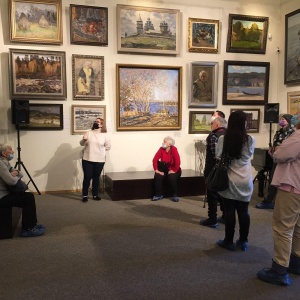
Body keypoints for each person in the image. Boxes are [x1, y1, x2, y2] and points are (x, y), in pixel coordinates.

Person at [257, 113, 300, 286]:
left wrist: (276, 151)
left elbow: (281, 153)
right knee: (298, 228)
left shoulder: (298, 136)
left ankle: (279, 269)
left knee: (283, 227)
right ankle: (296, 262)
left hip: (292, 188)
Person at [215, 110, 255, 251]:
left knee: (230, 211)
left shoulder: (223, 139)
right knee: (244, 211)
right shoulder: (249, 139)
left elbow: (218, 156)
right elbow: (249, 155)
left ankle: (228, 241)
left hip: (230, 179)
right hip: (245, 179)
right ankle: (243, 241)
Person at [0, 144, 45, 237]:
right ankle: (28, 229)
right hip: (2, 197)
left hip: (7, 193)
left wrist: (16, 173)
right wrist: (16, 175)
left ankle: (32, 225)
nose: (12, 152)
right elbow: (11, 182)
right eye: (10, 150)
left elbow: (19, 172)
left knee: (28, 196)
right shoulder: (1, 163)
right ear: (4, 153)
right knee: (28, 198)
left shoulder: (5, 162)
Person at [256, 114, 294, 209]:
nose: (281, 121)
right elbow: (275, 143)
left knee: (284, 182)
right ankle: (269, 200)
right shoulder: (278, 132)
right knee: (273, 180)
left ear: (289, 121)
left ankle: (278, 202)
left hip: (286, 161)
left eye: (283, 119)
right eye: (281, 119)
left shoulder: (292, 133)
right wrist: (272, 149)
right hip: (276, 159)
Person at [201, 115, 227, 228]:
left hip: (213, 169)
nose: (211, 126)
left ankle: (212, 219)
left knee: (212, 194)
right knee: (223, 194)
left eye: (212, 124)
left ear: (217, 125)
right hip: (226, 169)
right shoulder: (229, 135)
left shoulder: (213, 136)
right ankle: (225, 216)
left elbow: (215, 153)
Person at [80, 117, 111, 202]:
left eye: (98, 122)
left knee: (96, 178)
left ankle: (95, 194)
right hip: (87, 159)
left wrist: (100, 151)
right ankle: (85, 195)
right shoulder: (89, 132)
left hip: (100, 160)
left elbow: (108, 147)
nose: (96, 122)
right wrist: (83, 140)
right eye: (95, 121)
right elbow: (81, 144)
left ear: (102, 125)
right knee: (87, 177)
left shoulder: (105, 136)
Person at [152, 136, 181, 202]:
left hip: (174, 169)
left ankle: (175, 195)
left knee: (171, 177)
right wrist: (156, 170)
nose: (163, 143)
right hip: (164, 168)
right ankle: (158, 195)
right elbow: (155, 159)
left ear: (169, 144)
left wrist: (174, 170)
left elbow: (177, 161)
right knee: (157, 176)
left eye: (164, 142)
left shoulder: (174, 149)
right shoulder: (161, 149)